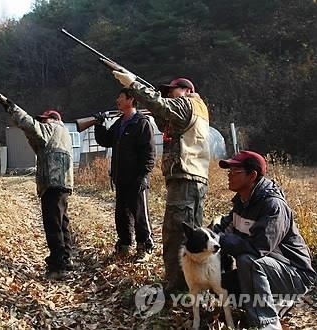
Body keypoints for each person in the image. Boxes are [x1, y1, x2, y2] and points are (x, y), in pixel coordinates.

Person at [106, 65, 210, 292]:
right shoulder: (195, 109)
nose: (168, 95)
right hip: (188, 176)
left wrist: (133, 84)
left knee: (176, 235)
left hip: (186, 176)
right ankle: (184, 285)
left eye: (172, 91)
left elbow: (160, 106)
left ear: (185, 90)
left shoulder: (187, 103)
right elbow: (163, 116)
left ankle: (178, 289)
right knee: (185, 234)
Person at [214, 150, 316, 329]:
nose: (229, 175)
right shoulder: (242, 202)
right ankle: (273, 302)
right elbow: (222, 228)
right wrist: (208, 236)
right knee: (220, 284)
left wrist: (220, 240)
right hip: (271, 268)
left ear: (252, 175)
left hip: (295, 274)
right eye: (228, 171)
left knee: (249, 261)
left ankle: (267, 323)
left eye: (235, 171)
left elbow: (257, 249)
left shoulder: (273, 206)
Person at [0, 99, 75, 280]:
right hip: (63, 183)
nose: (42, 122)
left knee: (53, 225)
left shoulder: (52, 128)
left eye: (45, 119)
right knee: (62, 222)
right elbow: (36, 141)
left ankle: (58, 266)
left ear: (53, 119)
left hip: (51, 182)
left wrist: (11, 108)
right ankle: (66, 258)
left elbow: (29, 124)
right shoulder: (63, 133)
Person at [93, 88, 156, 263]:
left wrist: (144, 175)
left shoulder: (141, 123)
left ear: (131, 99)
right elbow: (106, 140)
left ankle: (145, 246)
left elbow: (149, 152)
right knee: (121, 214)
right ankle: (125, 245)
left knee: (140, 214)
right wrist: (99, 124)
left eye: (120, 97)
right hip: (120, 178)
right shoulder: (120, 122)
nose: (117, 100)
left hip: (136, 177)